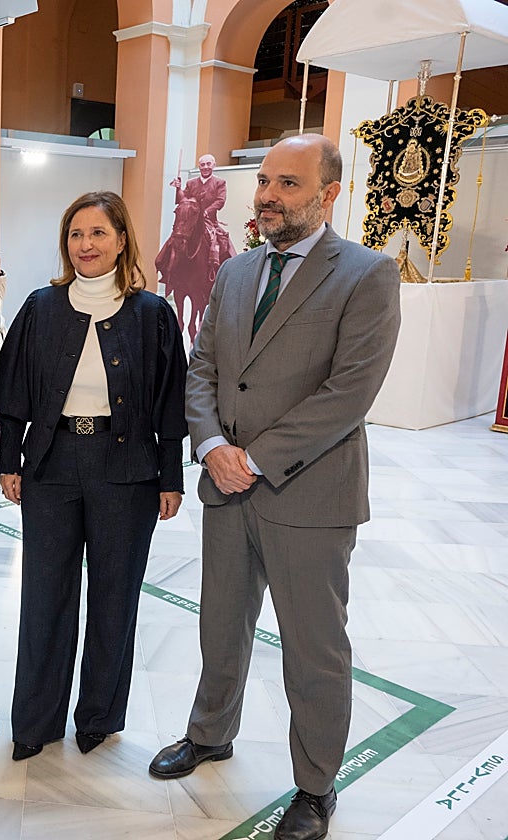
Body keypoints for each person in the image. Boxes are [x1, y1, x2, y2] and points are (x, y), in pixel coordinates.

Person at [148, 134, 401, 840]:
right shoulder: (234, 272)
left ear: (328, 194)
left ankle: (316, 788)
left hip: (309, 497)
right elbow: (203, 369)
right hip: (227, 489)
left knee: (313, 649)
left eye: (288, 183)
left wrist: (252, 458)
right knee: (219, 624)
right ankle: (209, 734)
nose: (267, 194)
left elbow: (349, 394)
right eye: (264, 180)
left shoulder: (366, 274)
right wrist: (212, 445)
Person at [0, 191, 187, 761]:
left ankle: (99, 714)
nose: (86, 245)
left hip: (126, 472)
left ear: (122, 239)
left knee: (113, 597)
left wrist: (169, 476)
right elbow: (14, 391)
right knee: (45, 596)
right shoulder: (40, 308)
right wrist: (10, 463)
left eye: (98, 233)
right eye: (76, 234)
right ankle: (35, 720)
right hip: (51, 468)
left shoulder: (153, 315)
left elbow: (170, 402)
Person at [169, 153, 235, 270]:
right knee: (173, 241)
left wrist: (206, 211)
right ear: (199, 167)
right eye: (202, 164)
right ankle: (167, 270)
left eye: (208, 164)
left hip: (210, 222)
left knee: (223, 243)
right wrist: (178, 188)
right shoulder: (191, 183)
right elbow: (182, 200)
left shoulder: (220, 183)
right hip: (190, 222)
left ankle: (225, 269)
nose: (205, 167)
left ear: (214, 165)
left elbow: (220, 201)